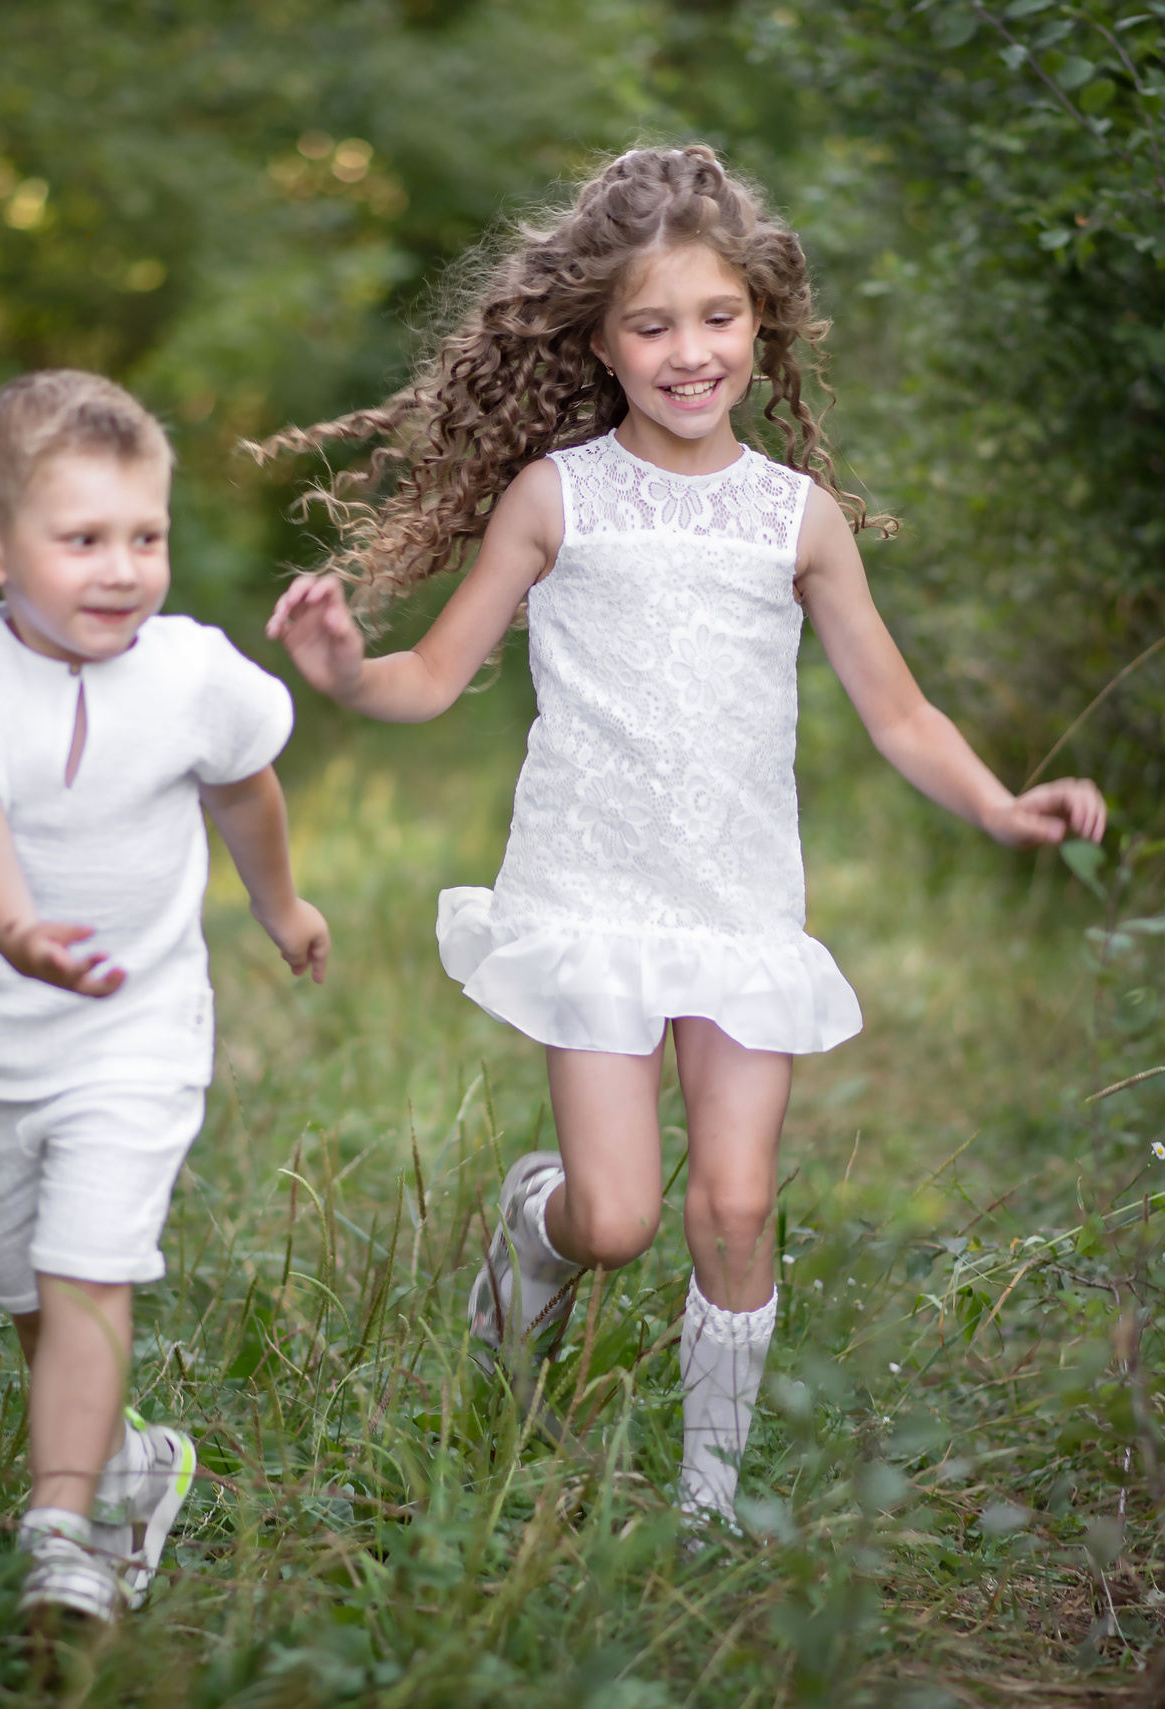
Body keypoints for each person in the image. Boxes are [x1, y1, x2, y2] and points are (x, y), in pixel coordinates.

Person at [260, 146, 1103, 1533]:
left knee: (735, 1204)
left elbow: (898, 714)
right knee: (618, 1220)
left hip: (736, 908)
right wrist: (347, 669)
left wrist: (1003, 802)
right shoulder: (559, 496)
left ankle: (709, 1502)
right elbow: (422, 681)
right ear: (599, 339)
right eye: (651, 325)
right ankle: (534, 1228)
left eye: (716, 317)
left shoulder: (798, 519)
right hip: (592, 898)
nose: (688, 351)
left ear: (762, 322)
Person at [0, 370, 331, 1622]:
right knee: (31, 1294)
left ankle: (63, 1533)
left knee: (87, 1270)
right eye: (82, 539)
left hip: (136, 1031)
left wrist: (277, 903)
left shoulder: (192, 672)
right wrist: (17, 930)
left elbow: (246, 786)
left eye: (146, 536)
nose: (122, 568)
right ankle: (134, 1460)